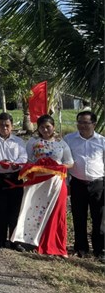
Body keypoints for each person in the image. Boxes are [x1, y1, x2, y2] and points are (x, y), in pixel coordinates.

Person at [11, 114, 73, 257]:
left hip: (56, 183)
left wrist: (58, 166)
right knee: (34, 210)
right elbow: (28, 160)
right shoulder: (33, 142)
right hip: (37, 183)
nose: (45, 130)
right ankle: (31, 241)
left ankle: (57, 245)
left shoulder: (61, 143)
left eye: (48, 127)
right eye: (42, 127)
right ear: (38, 128)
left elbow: (70, 162)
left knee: (57, 213)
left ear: (53, 127)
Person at [64, 111, 104, 261]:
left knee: (99, 219)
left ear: (93, 124)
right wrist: (67, 183)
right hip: (77, 183)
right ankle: (81, 247)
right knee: (78, 216)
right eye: (79, 122)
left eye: (86, 123)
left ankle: (100, 249)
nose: (82, 126)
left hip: (98, 184)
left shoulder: (102, 141)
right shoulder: (69, 139)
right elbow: (65, 162)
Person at [0, 112, 27, 250]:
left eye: (7, 125)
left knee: (15, 210)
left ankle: (15, 241)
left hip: (15, 178)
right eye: (1, 125)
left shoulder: (19, 141)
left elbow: (24, 157)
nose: (4, 128)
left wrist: (16, 164)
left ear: (12, 126)